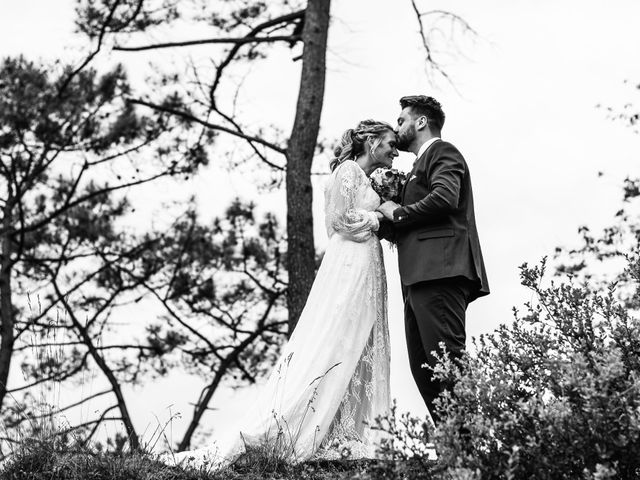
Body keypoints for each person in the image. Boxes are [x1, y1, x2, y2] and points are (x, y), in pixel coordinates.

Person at [169, 120, 398, 468]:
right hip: (348, 265)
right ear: (370, 142)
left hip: (368, 263)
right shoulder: (348, 170)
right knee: (339, 337)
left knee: (359, 339)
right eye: (389, 143)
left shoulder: (370, 179)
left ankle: (347, 430)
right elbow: (339, 220)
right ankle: (303, 423)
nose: (394, 151)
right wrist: (379, 217)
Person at [377, 95, 490, 424]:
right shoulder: (415, 169)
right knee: (424, 368)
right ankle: (454, 448)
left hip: (440, 272)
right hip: (417, 278)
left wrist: (397, 214)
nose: (397, 126)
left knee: (446, 362)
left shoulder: (443, 152)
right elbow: (412, 221)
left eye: (401, 120)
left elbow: (445, 197)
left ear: (421, 122)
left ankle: (474, 453)